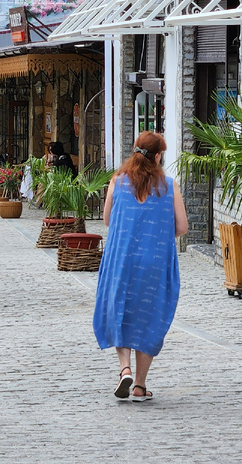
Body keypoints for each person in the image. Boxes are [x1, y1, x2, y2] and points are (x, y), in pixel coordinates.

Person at [93, 130, 187, 402]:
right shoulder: (170, 185)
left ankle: (125, 369)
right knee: (149, 314)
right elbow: (181, 227)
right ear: (157, 156)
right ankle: (140, 386)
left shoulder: (117, 181)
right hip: (154, 263)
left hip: (121, 259)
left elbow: (108, 219)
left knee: (120, 309)